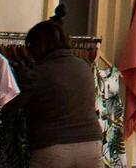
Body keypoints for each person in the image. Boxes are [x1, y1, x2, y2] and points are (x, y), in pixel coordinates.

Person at [16, 17, 101, 168]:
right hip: (91, 145)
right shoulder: (84, 67)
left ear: (38, 46)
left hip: (53, 147)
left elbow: (13, 103)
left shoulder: (38, 73)